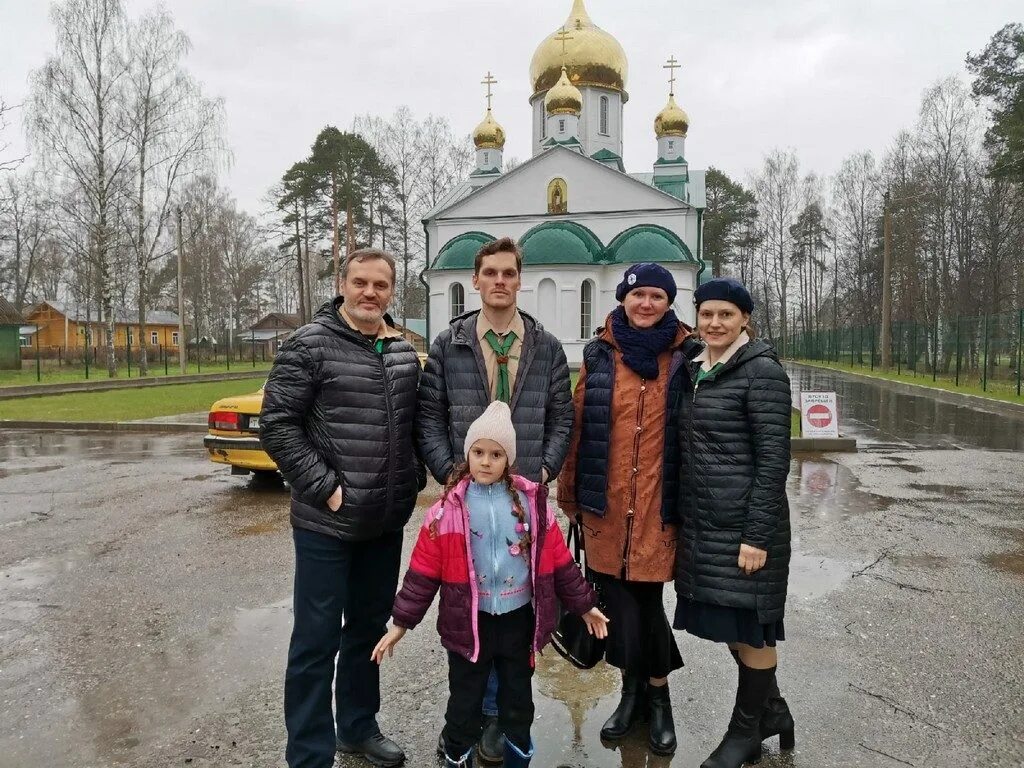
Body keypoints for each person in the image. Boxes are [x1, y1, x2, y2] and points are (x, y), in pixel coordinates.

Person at [373, 402, 609, 768]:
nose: (486, 461)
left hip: (517, 622)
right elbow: (421, 573)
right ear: (467, 454)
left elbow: (560, 562)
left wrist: (584, 604)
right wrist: (401, 623)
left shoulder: (533, 506)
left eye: (496, 454)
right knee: (464, 707)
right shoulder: (445, 511)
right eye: (478, 452)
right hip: (468, 627)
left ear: (508, 459)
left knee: (518, 706)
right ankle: (457, 757)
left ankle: (517, 759)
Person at [260, 248, 423, 768]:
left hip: (383, 522)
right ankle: (309, 753)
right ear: (342, 284)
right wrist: (327, 488)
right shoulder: (309, 345)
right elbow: (277, 425)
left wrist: (412, 478)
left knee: (368, 631)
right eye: (361, 282)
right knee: (316, 639)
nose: (370, 292)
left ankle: (356, 727)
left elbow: (412, 426)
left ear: (392, 291)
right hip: (325, 524)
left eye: (380, 284)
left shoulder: (400, 352)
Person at [416, 236, 574, 763]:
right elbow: (430, 416)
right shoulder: (450, 343)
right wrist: (449, 472)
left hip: (523, 499)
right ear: (477, 280)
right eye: (491, 273)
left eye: (509, 272)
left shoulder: (545, 346)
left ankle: (504, 716)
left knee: (516, 604)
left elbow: (561, 415)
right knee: (473, 599)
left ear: (519, 279)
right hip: (469, 497)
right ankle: (479, 715)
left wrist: (546, 467)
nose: (500, 281)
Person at [557, 262, 697, 757]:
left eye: (657, 297)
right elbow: (580, 424)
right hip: (606, 502)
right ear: (623, 299)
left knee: (645, 602)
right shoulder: (599, 354)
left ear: (668, 303)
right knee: (616, 602)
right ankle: (636, 694)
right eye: (637, 296)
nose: (646, 304)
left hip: (660, 504)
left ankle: (655, 697)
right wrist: (569, 492)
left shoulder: (687, 356)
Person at [673, 277, 795, 768]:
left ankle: (745, 733)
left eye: (726, 314)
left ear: (744, 319)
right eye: (707, 314)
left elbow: (774, 461)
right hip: (706, 525)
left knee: (755, 629)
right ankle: (773, 710)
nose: (716, 323)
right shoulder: (696, 368)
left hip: (747, 528)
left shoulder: (761, 371)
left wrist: (757, 536)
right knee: (729, 621)